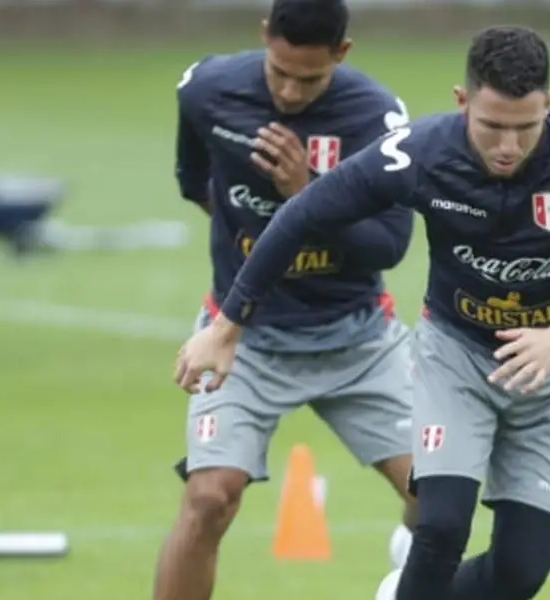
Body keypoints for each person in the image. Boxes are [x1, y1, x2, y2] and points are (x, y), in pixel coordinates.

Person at [173, 24, 550, 600]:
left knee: (519, 573)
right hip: (456, 355)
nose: (508, 146)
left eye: (526, 127)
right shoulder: (417, 152)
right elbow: (300, 217)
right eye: (492, 127)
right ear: (461, 101)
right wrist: (227, 324)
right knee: (439, 526)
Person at [154, 2, 419, 600]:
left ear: (343, 54)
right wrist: (261, 252)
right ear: (264, 37)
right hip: (244, 339)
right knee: (207, 498)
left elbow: (389, 246)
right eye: (280, 72)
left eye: (310, 79)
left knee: (438, 502)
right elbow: (195, 183)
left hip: (357, 342)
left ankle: (409, 556)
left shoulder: (377, 117)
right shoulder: (206, 90)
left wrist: (308, 196)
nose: (291, 92)